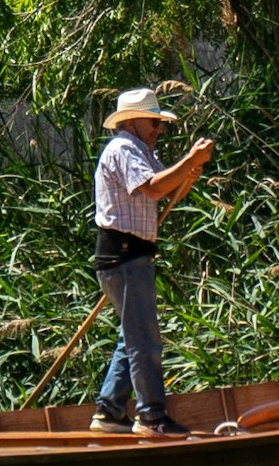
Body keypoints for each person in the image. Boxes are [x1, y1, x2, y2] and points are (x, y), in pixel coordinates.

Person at [88, 87, 215, 436]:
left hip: (131, 257)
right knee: (144, 341)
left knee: (131, 337)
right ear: (132, 121)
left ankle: (109, 411)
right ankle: (151, 417)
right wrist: (188, 160)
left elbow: (170, 190)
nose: (159, 129)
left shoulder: (141, 150)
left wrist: (188, 173)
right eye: (154, 123)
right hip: (125, 257)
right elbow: (155, 188)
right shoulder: (123, 148)